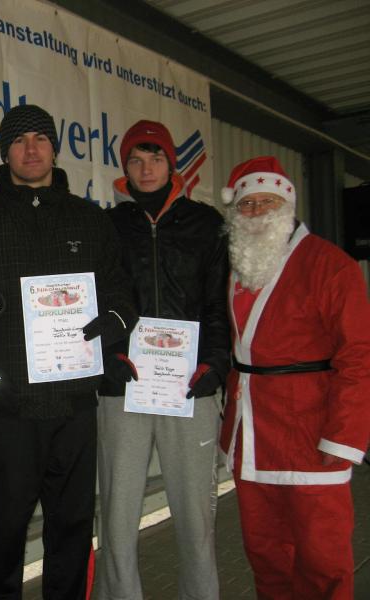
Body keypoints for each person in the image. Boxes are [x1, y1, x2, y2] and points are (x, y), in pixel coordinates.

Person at [0, 104, 138, 600]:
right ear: (4, 154)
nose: (31, 149)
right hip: (6, 408)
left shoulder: (90, 220)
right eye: (19, 141)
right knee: (2, 531)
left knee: (72, 528)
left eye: (41, 139)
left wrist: (115, 322)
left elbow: (121, 292)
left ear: (55, 149)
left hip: (74, 406)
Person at [219, 155, 370, 600]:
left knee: (322, 559)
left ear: (287, 206)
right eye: (246, 204)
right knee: (266, 555)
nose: (256, 212)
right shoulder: (239, 266)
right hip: (253, 433)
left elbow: (359, 356)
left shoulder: (330, 264)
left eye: (267, 202)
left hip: (310, 431)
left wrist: (343, 437)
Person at [96, 120, 230, 599]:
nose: (146, 168)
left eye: (155, 158)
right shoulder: (107, 226)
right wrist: (108, 354)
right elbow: (96, 302)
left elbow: (218, 303)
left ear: (171, 164)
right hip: (123, 386)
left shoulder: (206, 224)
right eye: (135, 159)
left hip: (189, 385)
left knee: (196, 517)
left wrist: (215, 363)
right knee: (117, 516)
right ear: (125, 168)